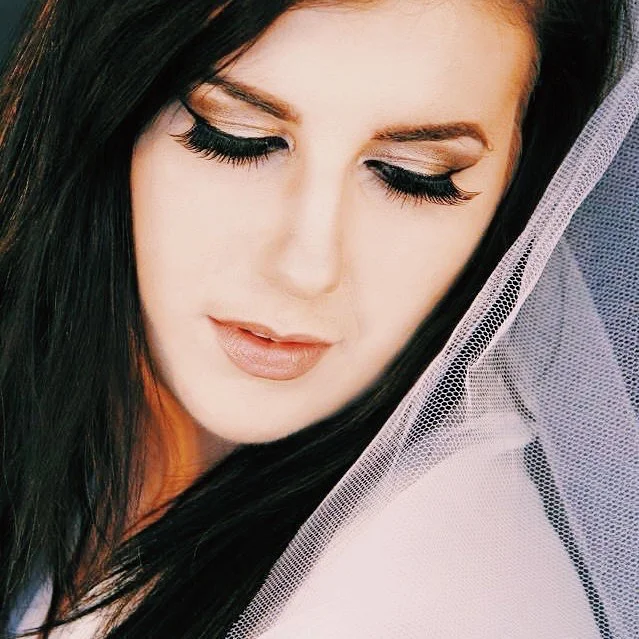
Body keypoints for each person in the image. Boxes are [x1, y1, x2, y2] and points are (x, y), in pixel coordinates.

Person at [0, 0, 636, 637]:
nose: (307, 268)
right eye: (237, 137)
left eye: (414, 177)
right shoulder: (61, 436)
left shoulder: (436, 605)